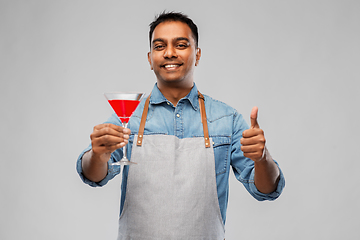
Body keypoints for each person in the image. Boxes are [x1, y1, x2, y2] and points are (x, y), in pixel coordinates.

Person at [77, 11, 285, 240]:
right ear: (149, 59)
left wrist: (262, 157)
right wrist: (97, 154)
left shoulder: (228, 120)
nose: (169, 53)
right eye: (159, 46)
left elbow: (266, 190)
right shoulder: (128, 116)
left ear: (197, 55)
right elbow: (93, 175)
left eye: (181, 44)